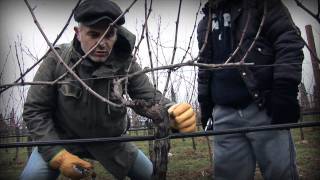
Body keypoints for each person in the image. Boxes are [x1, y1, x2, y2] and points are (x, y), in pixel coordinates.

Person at [20, 0, 196, 179]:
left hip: (112, 143)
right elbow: (35, 110)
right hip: (61, 140)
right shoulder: (56, 59)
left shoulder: (125, 64)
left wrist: (172, 111)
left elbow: (150, 96)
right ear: (78, 33)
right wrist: (57, 155)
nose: (102, 43)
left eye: (109, 34)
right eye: (94, 34)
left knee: (150, 175)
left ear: (116, 34)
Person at [197, 0, 304, 179]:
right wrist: (206, 106)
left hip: (265, 108)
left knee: (281, 174)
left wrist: (285, 90)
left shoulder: (262, 5)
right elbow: (203, 67)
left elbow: (288, 41)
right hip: (223, 114)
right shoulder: (204, 23)